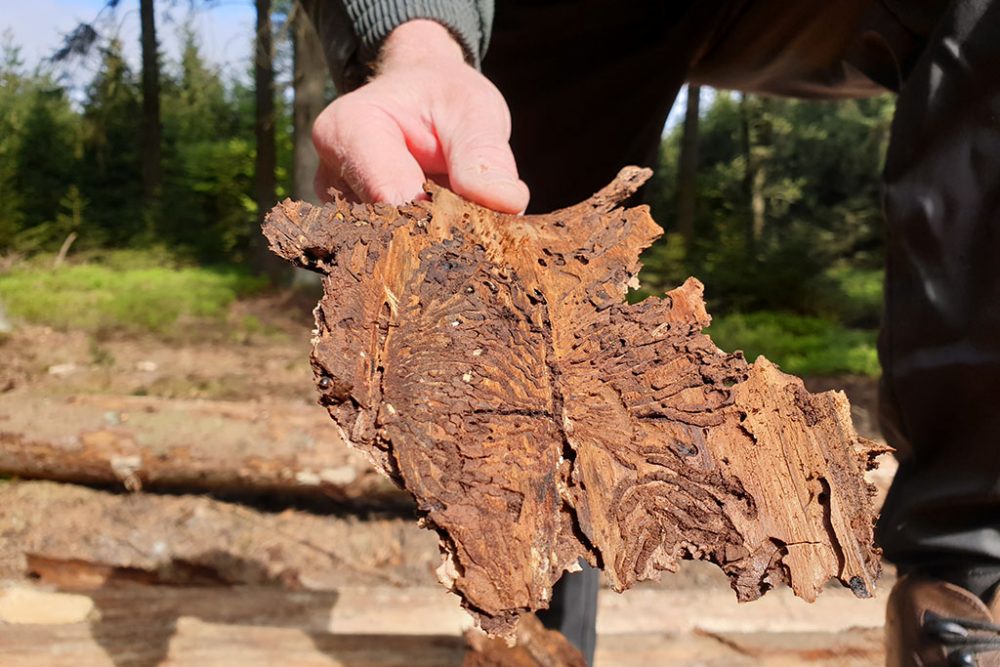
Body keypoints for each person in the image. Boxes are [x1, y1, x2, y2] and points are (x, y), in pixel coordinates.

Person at [303, 2, 1000, 665]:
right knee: (510, 253)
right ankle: (527, 620)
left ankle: (965, 591)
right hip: (558, 16)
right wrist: (417, 41)